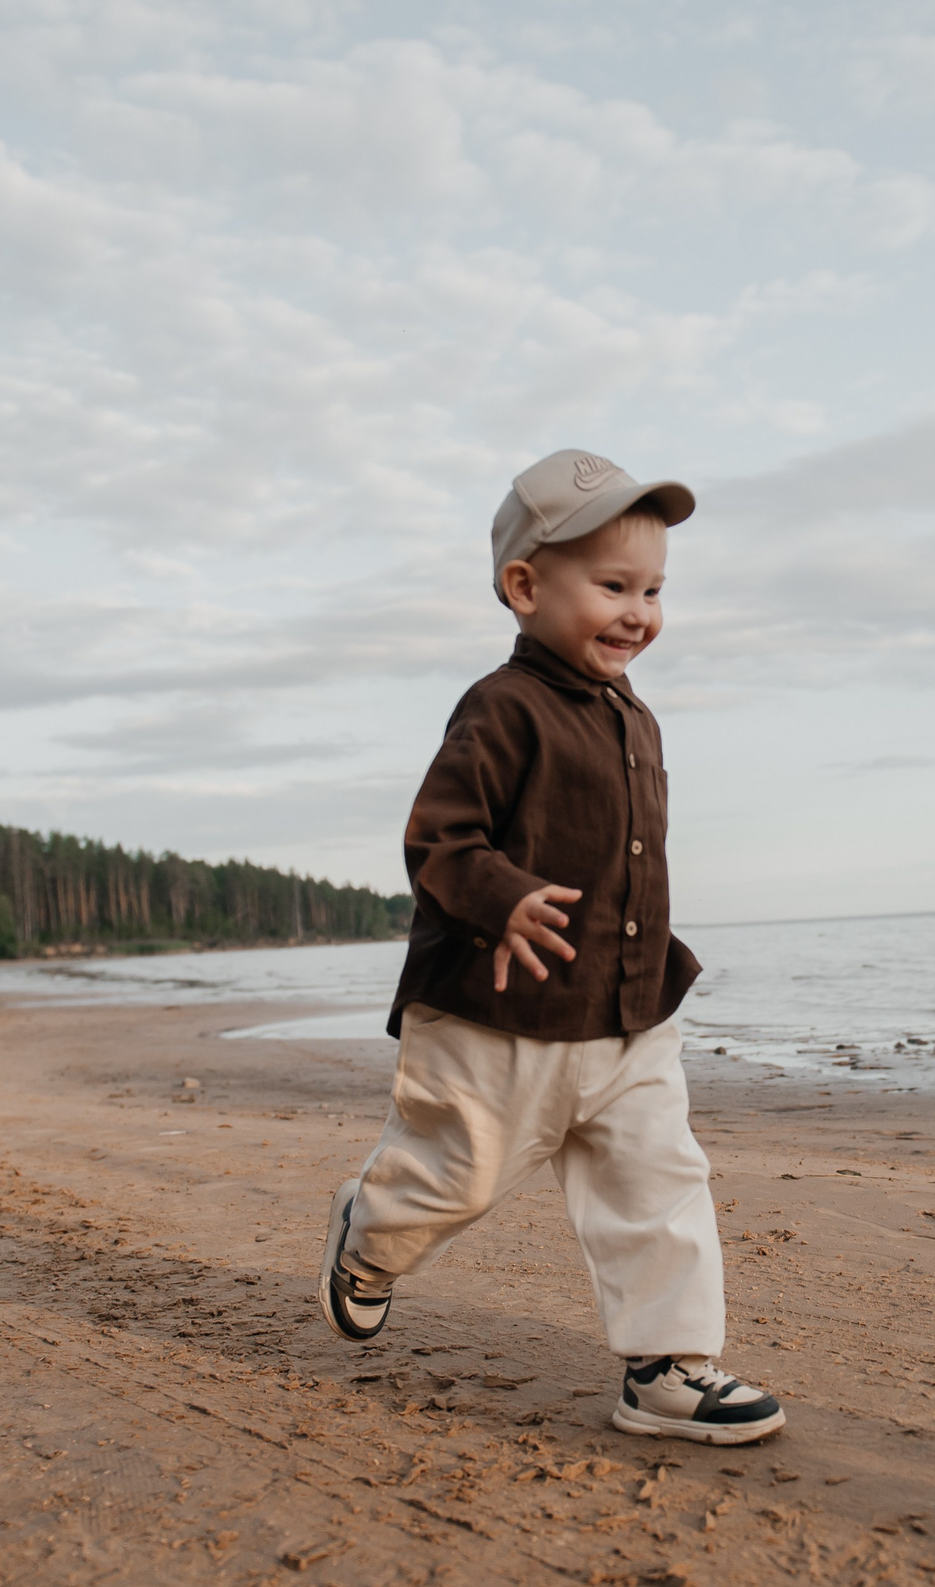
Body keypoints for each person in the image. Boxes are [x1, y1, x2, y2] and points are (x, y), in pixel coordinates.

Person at [316, 448, 784, 1446]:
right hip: (502, 1012)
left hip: (625, 1011)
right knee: (457, 1177)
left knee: (659, 1180)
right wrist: (507, 898)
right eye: (612, 585)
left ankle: (667, 1367)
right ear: (524, 587)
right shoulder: (501, 707)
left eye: (654, 589)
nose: (638, 611)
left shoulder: (635, 716)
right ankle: (370, 1236)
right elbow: (440, 837)